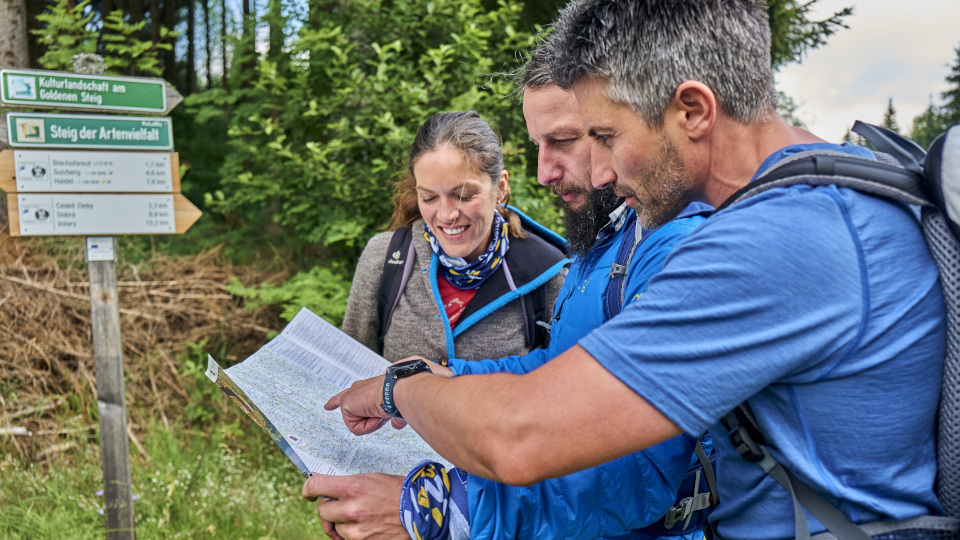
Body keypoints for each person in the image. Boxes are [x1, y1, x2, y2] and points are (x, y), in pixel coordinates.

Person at [319, 1, 949, 539]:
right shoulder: (814, 200)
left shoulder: (779, 240)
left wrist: (401, 395)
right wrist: (445, 381)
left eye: (606, 135)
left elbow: (520, 436)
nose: (601, 172)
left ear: (693, 111)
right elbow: (568, 378)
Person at [304, 40, 713, 540]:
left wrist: (433, 509)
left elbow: (641, 470)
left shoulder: (668, 246)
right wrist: (445, 380)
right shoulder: (602, 241)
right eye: (538, 145)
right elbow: (559, 377)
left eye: (564, 140)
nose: (543, 172)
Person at [341, 110, 567, 364]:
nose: (447, 215)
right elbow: (350, 371)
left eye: (464, 195)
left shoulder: (549, 275)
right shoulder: (385, 259)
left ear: (500, 188)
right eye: (429, 197)